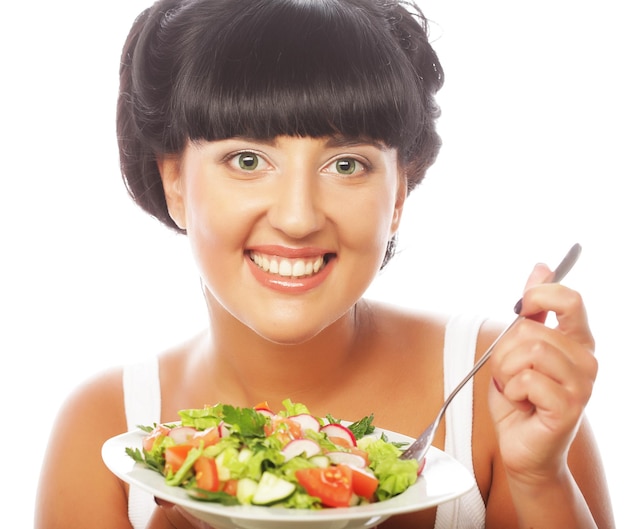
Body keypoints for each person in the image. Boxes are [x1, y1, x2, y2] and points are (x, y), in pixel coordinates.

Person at [34, 0, 615, 528]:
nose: (297, 217)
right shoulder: (102, 426)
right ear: (175, 183)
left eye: (346, 165)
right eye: (246, 158)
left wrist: (540, 477)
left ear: (399, 197)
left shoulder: (502, 393)